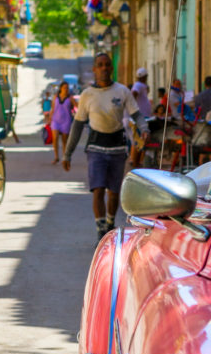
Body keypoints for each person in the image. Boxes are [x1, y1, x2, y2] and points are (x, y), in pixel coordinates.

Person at [62, 52, 148, 241]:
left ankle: (110, 223)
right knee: (98, 189)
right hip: (95, 148)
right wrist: (67, 154)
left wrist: (144, 128)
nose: (104, 68)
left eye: (107, 65)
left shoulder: (122, 91)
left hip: (117, 147)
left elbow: (136, 113)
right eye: (100, 65)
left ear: (111, 68)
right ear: (94, 69)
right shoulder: (87, 95)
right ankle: (101, 230)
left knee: (114, 191)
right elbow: (77, 125)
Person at [49, 79, 77, 164]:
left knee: (64, 141)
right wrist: (50, 118)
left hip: (66, 121)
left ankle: (65, 157)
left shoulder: (70, 98)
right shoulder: (55, 97)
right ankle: (56, 156)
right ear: (60, 88)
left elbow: (77, 106)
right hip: (55, 121)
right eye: (64, 87)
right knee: (55, 138)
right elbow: (53, 108)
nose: (66, 89)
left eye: (67, 88)